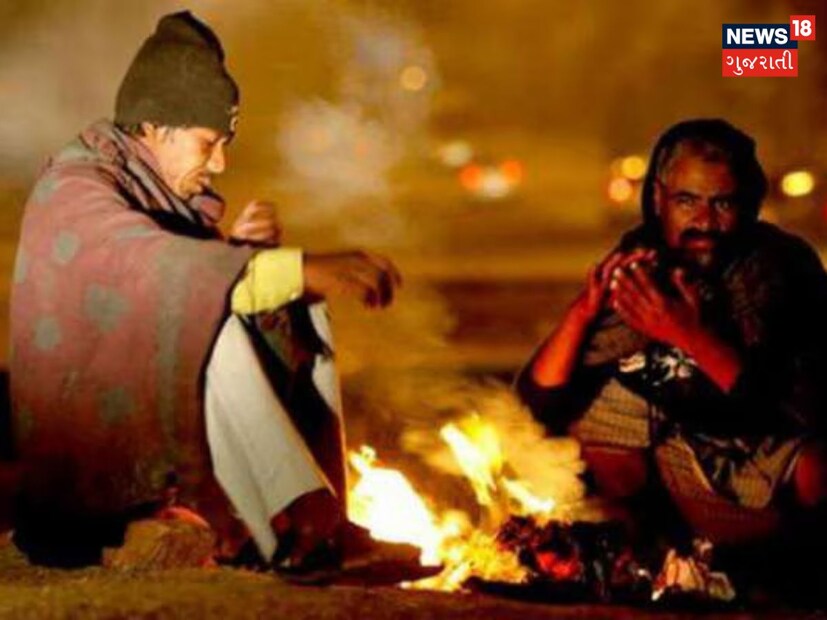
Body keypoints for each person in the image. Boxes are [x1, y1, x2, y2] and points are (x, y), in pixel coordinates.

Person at [9, 11, 417, 577]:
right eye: (208, 144)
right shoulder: (76, 188)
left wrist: (245, 256)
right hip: (85, 459)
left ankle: (316, 517)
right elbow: (169, 280)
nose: (220, 164)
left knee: (300, 310)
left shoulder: (141, 183)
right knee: (214, 314)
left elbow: (186, 274)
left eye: (224, 144)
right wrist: (287, 268)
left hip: (142, 424)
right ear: (157, 129)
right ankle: (291, 528)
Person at [516, 119, 827, 549]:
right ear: (659, 199)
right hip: (667, 465)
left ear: (747, 204)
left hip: (748, 463)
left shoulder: (778, 267)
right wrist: (580, 316)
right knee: (579, 435)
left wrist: (689, 334)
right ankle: (639, 555)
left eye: (722, 204)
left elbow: (790, 403)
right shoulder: (643, 262)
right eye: (687, 201)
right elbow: (538, 401)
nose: (705, 222)